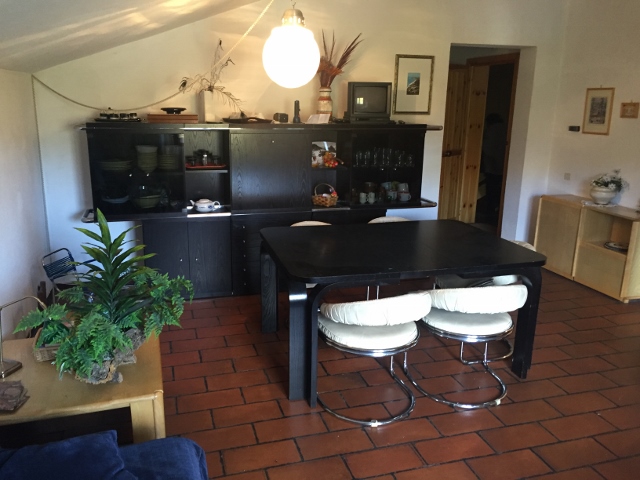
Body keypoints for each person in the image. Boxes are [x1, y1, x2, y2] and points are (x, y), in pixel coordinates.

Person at [481, 113, 507, 217]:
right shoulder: (505, 129)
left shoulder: (492, 130)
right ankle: (497, 211)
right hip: (503, 164)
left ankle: (490, 213)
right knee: (500, 189)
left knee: (491, 190)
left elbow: (488, 148)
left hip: (492, 165)